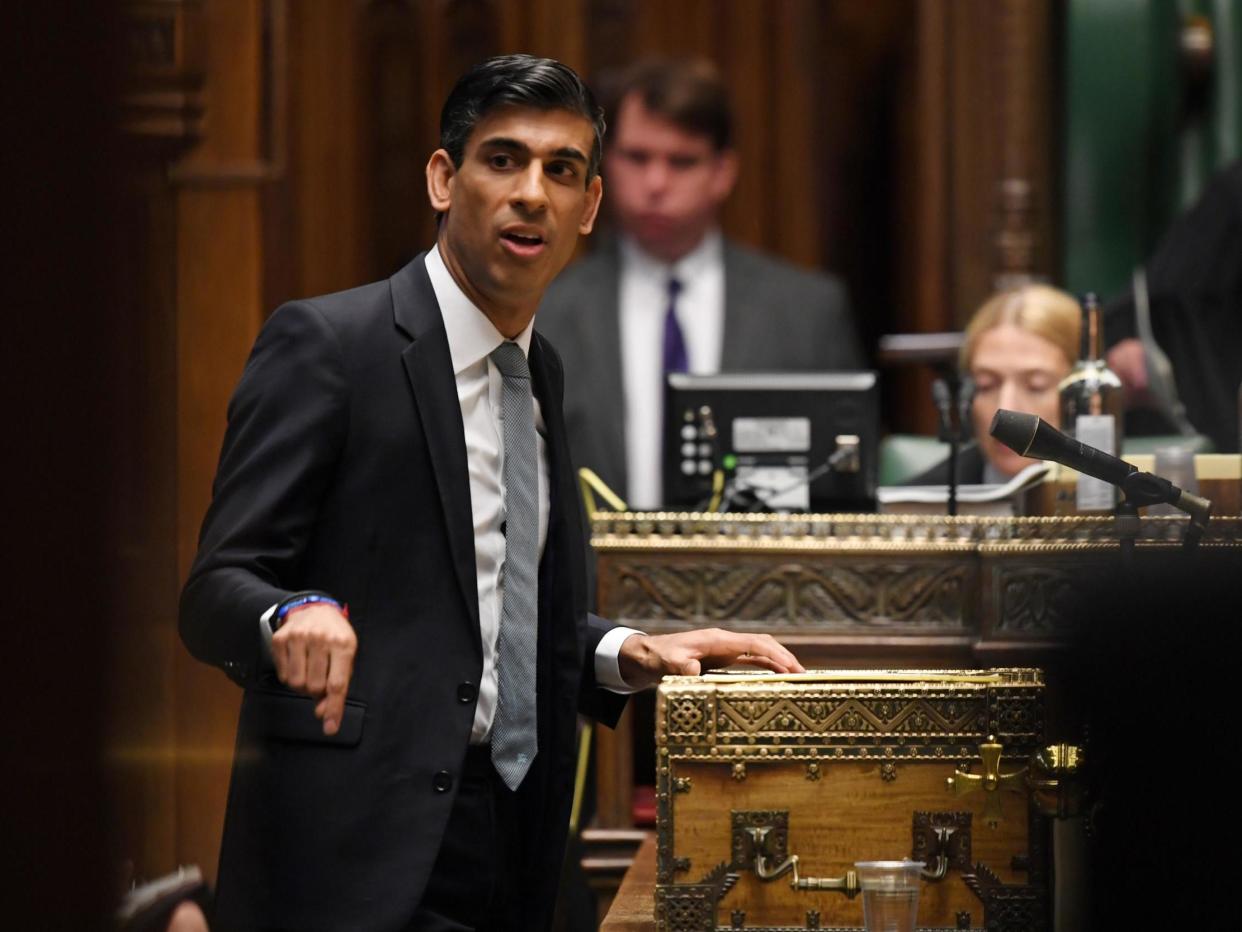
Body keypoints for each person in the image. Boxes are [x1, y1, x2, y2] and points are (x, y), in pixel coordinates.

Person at [179, 55, 802, 932]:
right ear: (443, 178)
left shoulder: (539, 369)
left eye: (561, 170)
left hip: (515, 841)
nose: (531, 194)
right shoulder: (331, 345)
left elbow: (482, 612)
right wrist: (292, 614)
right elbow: (214, 590)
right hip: (357, 856)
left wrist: (626, 651)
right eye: (502, 160)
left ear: (589, 207)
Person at [537, 57, 865, 509]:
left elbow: (842, 484)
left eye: (682, 162)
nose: (655, 182)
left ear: (722, 173)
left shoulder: (807, 311)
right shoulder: (549, 309)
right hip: (600, 575)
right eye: (637, 157)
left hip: (760, 574)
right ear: (604, 164)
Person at [913, 284, 1080, 484]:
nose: (1006, 408)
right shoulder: (918, 507)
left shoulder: (1122, 496)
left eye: (1036, 386)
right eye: (986, 385)